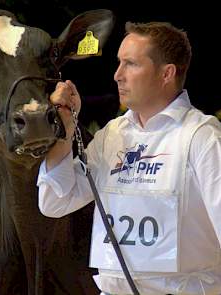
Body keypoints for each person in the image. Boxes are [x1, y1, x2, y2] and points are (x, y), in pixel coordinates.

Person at [37, 21, 221, 295]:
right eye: (119, 63)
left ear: (166, 73)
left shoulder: (202, 137)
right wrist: (65, 131)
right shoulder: (113, 135)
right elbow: (55, 202)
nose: (117, 75)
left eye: (131, 64)